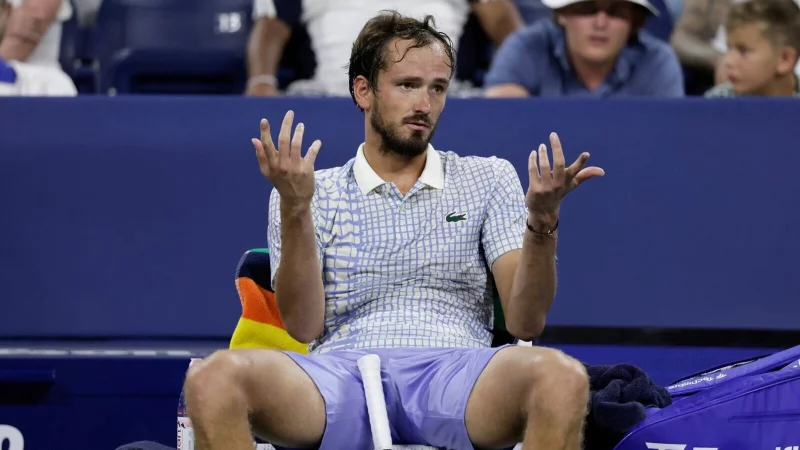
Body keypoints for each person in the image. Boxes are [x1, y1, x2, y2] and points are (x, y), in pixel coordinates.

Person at [185, 11, 604, 450]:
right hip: (339, 377)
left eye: (437, 88)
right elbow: (304, 326)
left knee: (562, 377)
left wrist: (541, 223)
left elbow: (526, 321)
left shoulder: (490, 178)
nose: (424, 104)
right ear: (363, 90)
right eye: (408, 85)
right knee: (213, 379)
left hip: (458, 374)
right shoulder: (311, 190)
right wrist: (295, 207)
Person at [245, 0, 524, 97]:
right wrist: (261, 80)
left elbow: (502, 20)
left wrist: (513, 79)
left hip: (438, 97)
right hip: (335, 94)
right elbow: (271, 26)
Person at [483, 0, 685, 97]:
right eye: (587, 9)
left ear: (634, 21)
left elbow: (669, 135)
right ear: (562, 14)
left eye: (616, 12)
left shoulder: (657, 60)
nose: (600, 23)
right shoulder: (526, 46)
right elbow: (499, 115)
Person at [705, 0, 800, 97]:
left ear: (785, 59)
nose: (728, 61)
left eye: (743, 51)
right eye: (729, 49)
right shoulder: (716, 101)